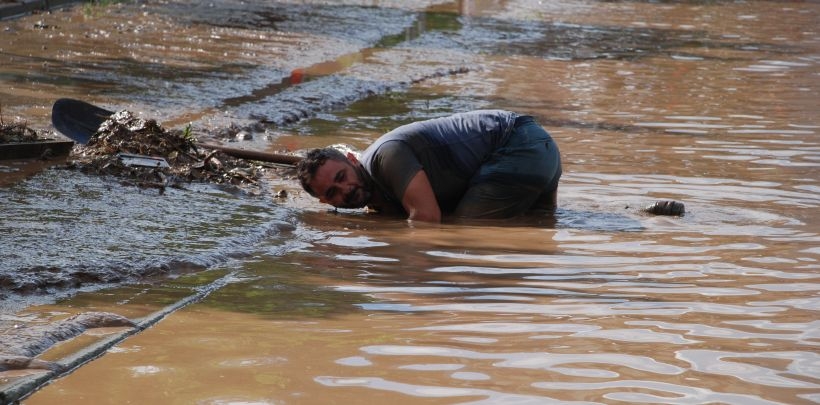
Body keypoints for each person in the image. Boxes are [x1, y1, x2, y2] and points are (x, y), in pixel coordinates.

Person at [296, 109, 561, 223]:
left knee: (468, 235)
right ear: (324, 202)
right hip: (541, 149)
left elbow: (426, 220)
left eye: (342, 176)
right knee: (536, 227)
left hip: (517, 145)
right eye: (332, 192)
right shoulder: (377, 187)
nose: (346, 189)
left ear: (353, 160)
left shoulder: (385, 156)